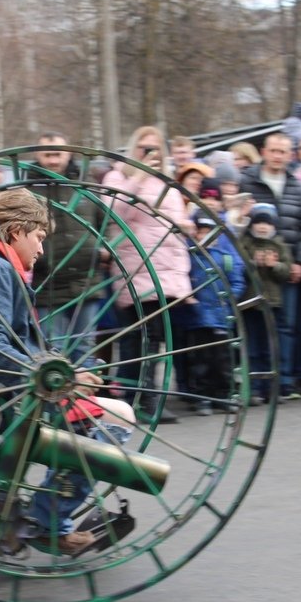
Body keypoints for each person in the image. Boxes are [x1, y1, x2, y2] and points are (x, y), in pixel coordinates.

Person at [0, 187, 135, 557]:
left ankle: (49, 518)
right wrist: (54, 381)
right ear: (16, 231)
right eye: (38, 238)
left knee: (108, 415)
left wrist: (64, 372)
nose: (41, 250)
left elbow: (5, 342)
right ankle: (49, 524)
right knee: (118, 421)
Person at [103, 125, 193, 423]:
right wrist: (138, 176)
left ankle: (141, 399)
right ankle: (139, 400)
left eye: (156, 150)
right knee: (139, 338)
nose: (151, 155)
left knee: (152, 337)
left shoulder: (165, 181)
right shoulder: (118, 176)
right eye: (145, 149)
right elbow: (112, 210)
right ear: (133, 150)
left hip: (165, 267)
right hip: (136, 266)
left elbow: (175, 221)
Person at [238, 132, 301, 399]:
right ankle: (257, 383)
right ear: (264, 152)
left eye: (284, 151)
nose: (279, 156)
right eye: (274, 150)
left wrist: (300, 261)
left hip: (285, 265)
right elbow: (236, 220)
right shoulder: (248, 180)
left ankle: (284, 382)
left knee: (285, 326)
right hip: (254, 269)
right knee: (256, 329)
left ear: (290, 154)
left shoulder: (295, 183)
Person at [28, 133, 108, 360]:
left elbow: (108, 221)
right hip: (47, 285)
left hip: (86, 282)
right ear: (37, 154)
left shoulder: (85, 185)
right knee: (54, 352)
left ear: (69, 153)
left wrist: (105, 247)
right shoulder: (28, 189)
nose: (53, 161)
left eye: (58, 154)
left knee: (84, 349)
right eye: (47, 154)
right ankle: (57, 396)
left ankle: (83, 396)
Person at [179, 212, 246, 414]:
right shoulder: (188, 259)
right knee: (200, 360)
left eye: (209, 233)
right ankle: (203, 397)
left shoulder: (225, 259)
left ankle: (224, 395)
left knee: (223, 360)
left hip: (220, 317)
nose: (205, 236)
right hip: (197, 318)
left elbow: (237, 282)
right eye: (201, 232)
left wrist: (227, 297)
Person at [237, 204, 292, 405]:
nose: (262, 227)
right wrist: (251, 263)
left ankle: (274, 389)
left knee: (271, 348)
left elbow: (286, 271)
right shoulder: (244, 243)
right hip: (250, 303)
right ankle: (253, 390)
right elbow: (238, 268)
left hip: (273, 303)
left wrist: (274, 265)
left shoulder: (279, 244)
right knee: (252, 348)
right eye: (258, 222)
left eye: (266, 223)